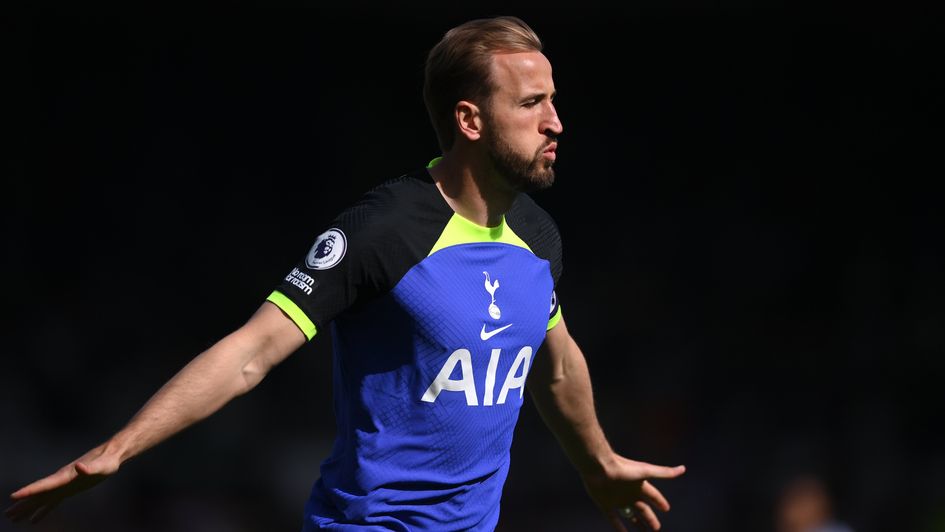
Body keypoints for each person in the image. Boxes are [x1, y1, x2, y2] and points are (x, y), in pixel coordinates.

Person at [6, 15, 685, 531]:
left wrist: (598, 464)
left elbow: (555, 365)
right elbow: (251, 351)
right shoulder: (383, 229)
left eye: (553, 100)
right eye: (531, 104)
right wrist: (119, 449)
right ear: (470, 120)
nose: (556, 122)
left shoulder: (537, 235)